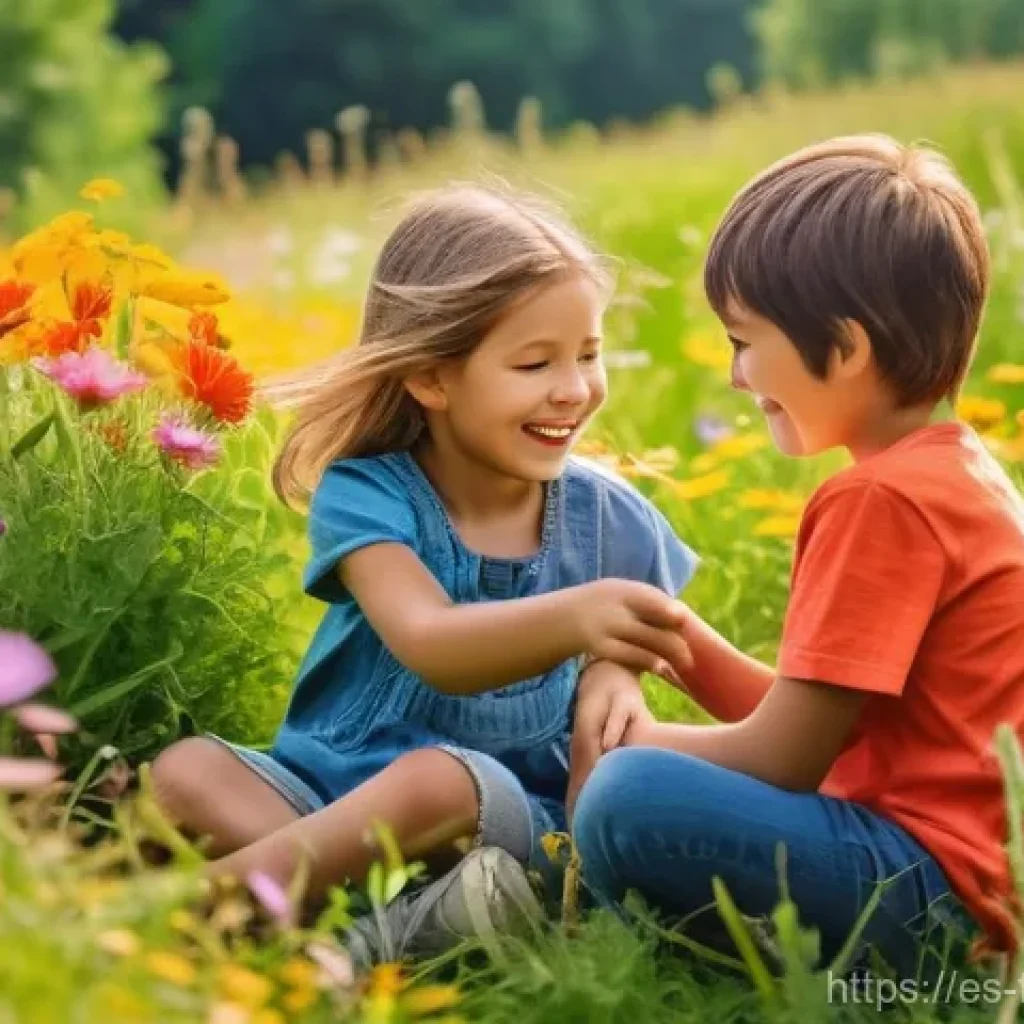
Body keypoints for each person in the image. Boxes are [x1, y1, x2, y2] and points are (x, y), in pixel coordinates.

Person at [149, 183, 698, 964]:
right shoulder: (370, 495)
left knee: (435, 783)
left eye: (588, 354)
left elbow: (640, 642)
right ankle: (416, 924)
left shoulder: (610, 518)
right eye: (535, 362)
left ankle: (189, 918)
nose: (574, 389)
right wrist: (581, 621)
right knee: (182, 771)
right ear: (431, 378)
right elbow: (430, 640)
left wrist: (616, 672)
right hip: (320, 799)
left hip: (498, 824)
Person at [569, 134, 1024, 981]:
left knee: (627, 800)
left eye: (744, 341)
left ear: (847, 348)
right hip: (967, 890)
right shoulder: (959, 476)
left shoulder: (880, 501)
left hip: (929, 899)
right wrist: (675, 640)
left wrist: (628, 746)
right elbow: (816, 727)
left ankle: (782, 973)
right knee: (636, 782)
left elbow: (784, 760)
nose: (739, 379)